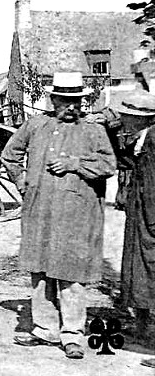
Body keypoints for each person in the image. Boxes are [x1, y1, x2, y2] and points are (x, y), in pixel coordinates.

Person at [1, 71, 116, 359]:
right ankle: (44, 328)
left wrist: (74, 163)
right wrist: (21, 180)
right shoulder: (35, 125)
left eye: (75, 101)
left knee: (71, 274)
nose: (70, 107)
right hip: (40, 211)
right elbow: (10, 154)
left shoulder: (93, 130)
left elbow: (108, 164)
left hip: (75, 215)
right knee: (40, 272)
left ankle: (73, 334)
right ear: (53, 100)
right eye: (64, 101)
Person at [116, 91, 155, 348]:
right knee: (138, 269)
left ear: (139, 119)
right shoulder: (143, 138)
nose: (123, 120)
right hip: (141, 213)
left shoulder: (152, 140)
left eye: (127, 116)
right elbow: (127, 158)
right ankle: (141, 327)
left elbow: (152, 183)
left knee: (150, 268)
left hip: (149, 216)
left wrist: (152, 222)